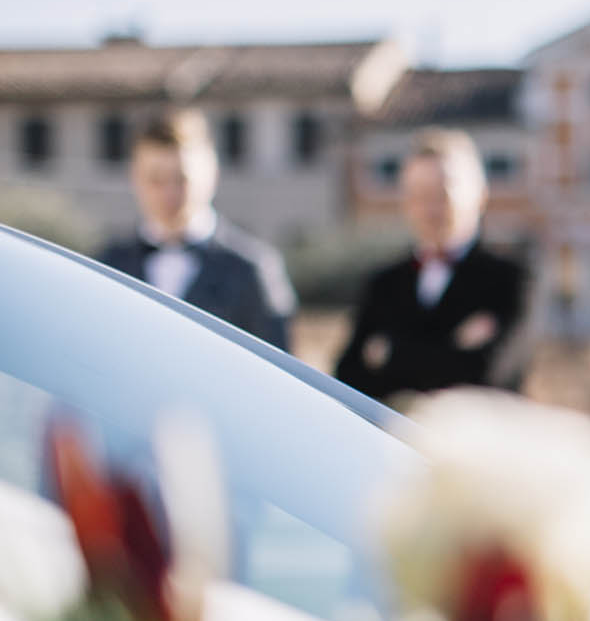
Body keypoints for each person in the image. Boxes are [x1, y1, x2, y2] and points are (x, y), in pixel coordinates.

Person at [335, 127, 527, 403]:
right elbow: (348, 378)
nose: (429, 209)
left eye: (442, 194)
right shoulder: (383, 285)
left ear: (480, 196)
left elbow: (487, 375)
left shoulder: (512, 279)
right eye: (418, 195)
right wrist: (452, 350)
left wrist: (389, 354)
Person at [98, 110, 295, 350]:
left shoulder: (253, 268)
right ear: (134, 178)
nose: (169, 192)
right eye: (155, 179)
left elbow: (277, 371)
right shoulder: (105, 267)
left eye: (181, 179)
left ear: (212, 173)